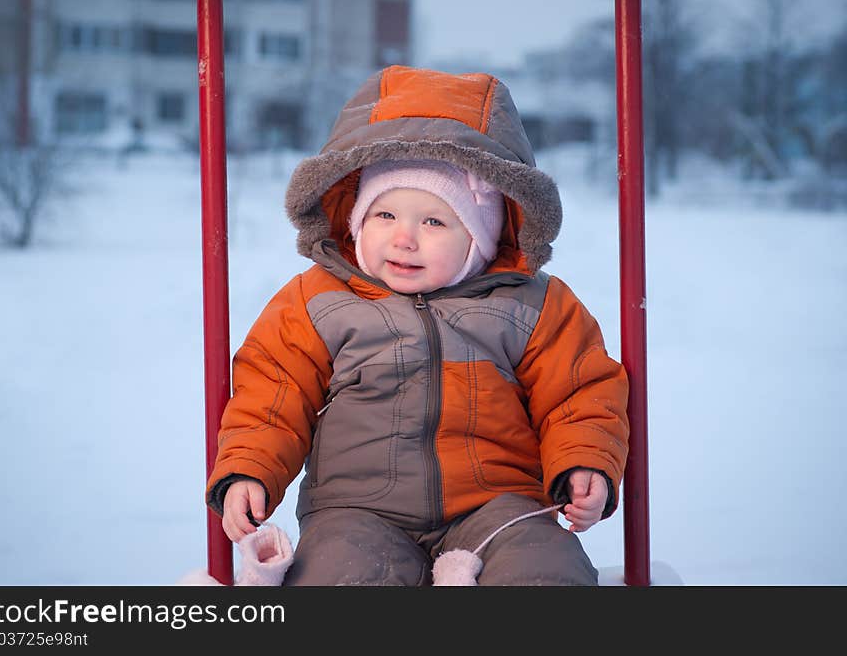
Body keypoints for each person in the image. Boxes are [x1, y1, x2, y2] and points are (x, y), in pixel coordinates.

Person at [206, 65, 629, 586]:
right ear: (358, 221)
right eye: (385, 216)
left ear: (482, 235)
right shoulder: (317, 301)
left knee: (546, 570)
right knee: (342, 577)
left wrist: (584, 461)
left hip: (502, 508)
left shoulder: (533, 305)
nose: (404, 239)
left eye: (434, 221)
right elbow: (272, 391)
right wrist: (250, 467)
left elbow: (580, 391)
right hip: (356, 511)